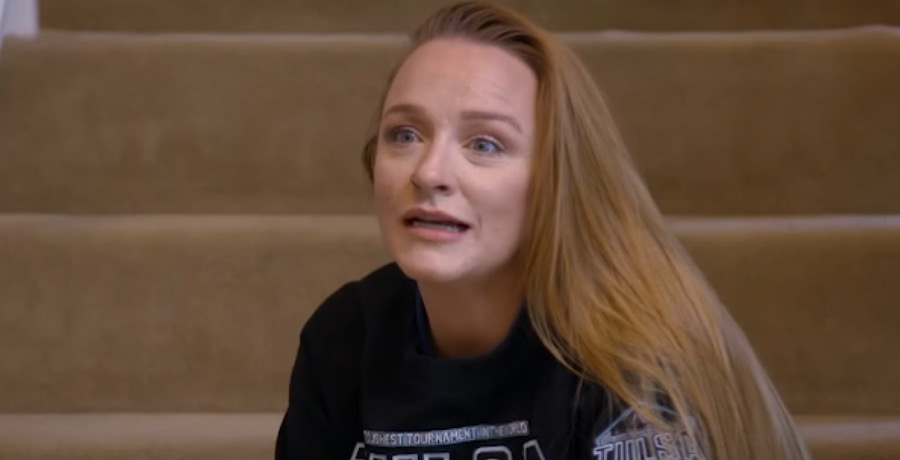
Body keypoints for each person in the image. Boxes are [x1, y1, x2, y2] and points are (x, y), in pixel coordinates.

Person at [275, 1, 811, 459]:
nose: (429, 172)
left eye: (485, 144)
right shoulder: (344, 336)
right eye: (405, 134)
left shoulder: (630, 358)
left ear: (555, 181)